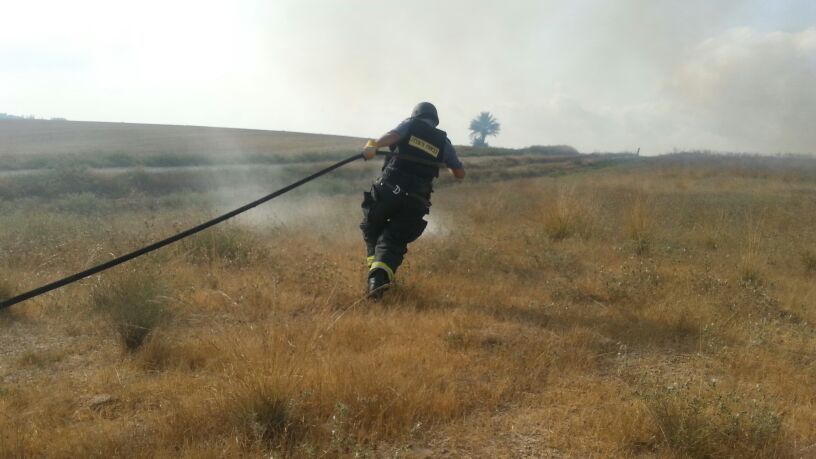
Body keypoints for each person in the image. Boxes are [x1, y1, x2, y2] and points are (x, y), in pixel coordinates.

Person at [360, 102, 466, 298]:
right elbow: (459, 173)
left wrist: (374, 145)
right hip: (416, 201)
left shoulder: (410, 124)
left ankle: (374, 274)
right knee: (394, 240)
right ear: (435, 121)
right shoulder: (444, 142)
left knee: (372, 226)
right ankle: (377, 279)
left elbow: (393, 136)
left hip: (389, 190)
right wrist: (448, 164)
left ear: (416, 116)